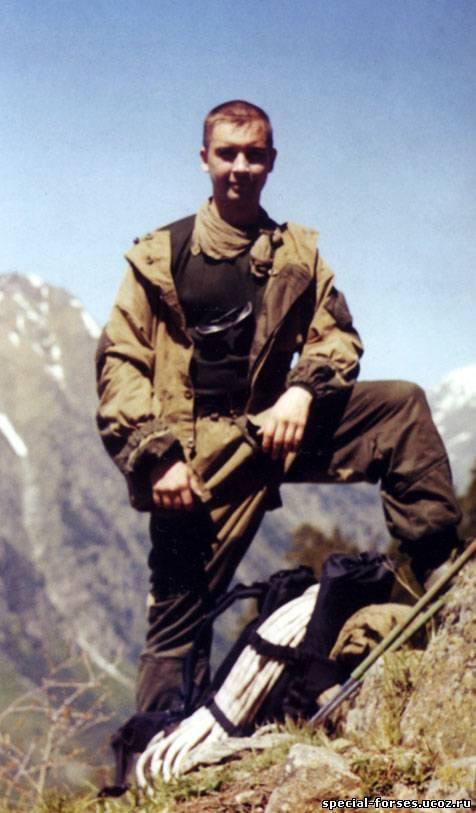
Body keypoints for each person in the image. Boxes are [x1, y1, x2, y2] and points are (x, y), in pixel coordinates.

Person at [96, 100, 462, 713]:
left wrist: (302, 390)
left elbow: (337, 337)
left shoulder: (296, 253)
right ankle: (157, 746)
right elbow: (120, 361)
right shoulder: (161, 256)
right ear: (205, 159)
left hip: (281, 428)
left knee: (400, 408)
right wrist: (157, 455)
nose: (240, 167)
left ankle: (442, 579)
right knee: (179, 617)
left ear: (271, 161)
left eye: (254, 155)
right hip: (198, 458)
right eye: (227, 154)